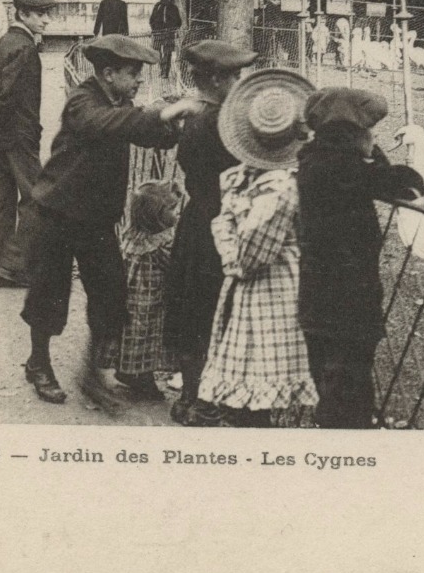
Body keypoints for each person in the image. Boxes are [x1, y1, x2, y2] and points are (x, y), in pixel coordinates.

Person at [18, 34, 202, 410]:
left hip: (96, 221)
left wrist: (177, 124)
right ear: (108, 72)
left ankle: (94, 375)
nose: (138, 81)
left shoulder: (122, 104)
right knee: (49, 295)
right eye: (133, 73)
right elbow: (104, 124)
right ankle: (39, 363)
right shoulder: (82, 101)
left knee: (111, 297)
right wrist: (160, 113)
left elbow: (146, 132)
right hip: (57, 214)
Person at [297, 87, 424, 429]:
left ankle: (331, 421)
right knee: (350, 374)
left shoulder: (310, 160)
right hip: (351, 291)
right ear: (356, 135)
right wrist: (374, 155)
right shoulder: (349, 169)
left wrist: (366, 153)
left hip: (314, 287)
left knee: (324, 365)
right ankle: (349, 431)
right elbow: (411, 185)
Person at [200, 70, 319, 427]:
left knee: (262, 367)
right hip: (265, 285)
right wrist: (235, 259)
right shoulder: (255, 182)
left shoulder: (273, 188)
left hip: (270, 287)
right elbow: (244, 246)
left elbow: (240, 237)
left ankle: (255, 423)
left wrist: (233, 256)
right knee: (255, 366)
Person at [162, 39, 259, 427]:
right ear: (217, 80)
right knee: (214, 311)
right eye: (236, 75)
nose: (241, 81)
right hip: (223, 226)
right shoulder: (226, 126)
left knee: (192, 310)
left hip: (196, 221)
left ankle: (190, 397)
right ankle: (207, 401)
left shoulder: (198, 119)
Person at [0, 0, 57, 288]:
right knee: (37, 199)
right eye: (41, 15)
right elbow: (3, 97)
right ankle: (15, 266)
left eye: (48, 14)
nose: (47, 20)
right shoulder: (24, 48)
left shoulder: (2, 44)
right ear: (23, 14)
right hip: (18, 137)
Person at [99, 181, 182, 401]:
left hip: (129, 300)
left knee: (129, 338)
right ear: (155, 215)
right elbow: (173, 268)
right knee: (146, 341)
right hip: (149, 302)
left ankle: (128, 372)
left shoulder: (130, 235)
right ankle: (140, 378)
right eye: (172, 210)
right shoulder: (163, 241)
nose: (176, 214)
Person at [149, 0, 184, 78]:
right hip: (158, 33)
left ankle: (165, 72)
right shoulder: (157, 6)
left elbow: (178, 22)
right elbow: (152, 19)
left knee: (167, 52)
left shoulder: (173, 8)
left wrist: (172, 29)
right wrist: (154, 29)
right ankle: (161, 68)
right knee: (157, 51)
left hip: (168, 34)